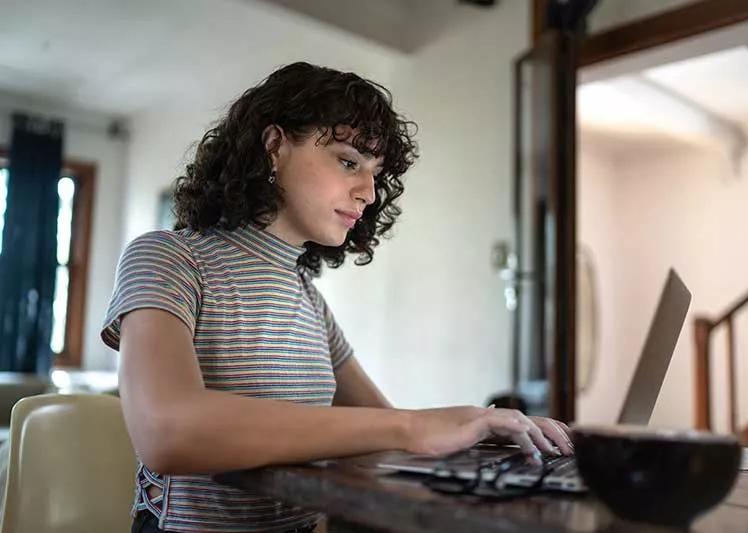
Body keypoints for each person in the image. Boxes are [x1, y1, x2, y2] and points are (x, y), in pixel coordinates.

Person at [102, 61, 573, 533]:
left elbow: (383, 431)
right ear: (275, 147)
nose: (368, 192)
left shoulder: (306, 295)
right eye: (349, 162)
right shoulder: (168, 258)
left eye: (375, 173)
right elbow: (167, 431)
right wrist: (412, 427)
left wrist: (485, 432)